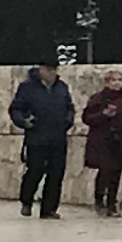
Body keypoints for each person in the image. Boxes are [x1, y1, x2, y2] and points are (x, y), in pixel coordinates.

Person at [8, 54, 75, 217]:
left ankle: (49, 209)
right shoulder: (27, 87)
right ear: (41, 69)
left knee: (56, 174)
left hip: (58, 138)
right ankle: (26, 200)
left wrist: (67, 121)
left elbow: (69, 107)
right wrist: (24, 122)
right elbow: (16, 109)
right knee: (35, 171)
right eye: (49, 70)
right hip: (36, 137)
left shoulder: (61, 87)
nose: (52, 73)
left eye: (55, 70)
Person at [80, 73, 122, 216]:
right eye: (113, 80)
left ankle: (112, 203)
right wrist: (104, 115)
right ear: (106, 82)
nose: (117, 83)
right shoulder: (97, 98)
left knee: (117, 172)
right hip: (102, 141)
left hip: (121, 141)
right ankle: (99, 200)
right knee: (105, 170)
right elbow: (87, 118)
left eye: (120, 80)